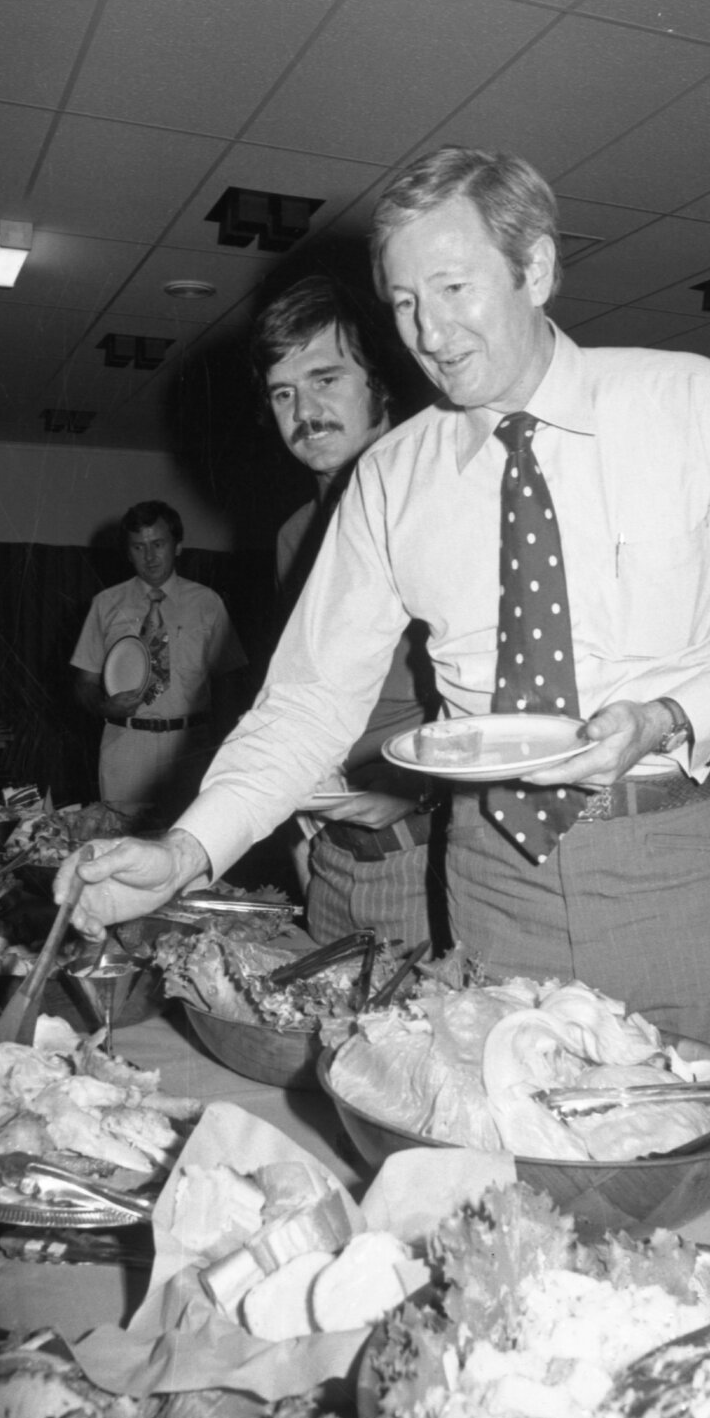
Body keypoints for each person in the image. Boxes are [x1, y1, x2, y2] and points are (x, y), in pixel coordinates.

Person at [57, 147, 710, 1071]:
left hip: (670, 852)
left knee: (692, 1177)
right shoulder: (392, 477)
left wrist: (669, 715)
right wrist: (187, 850)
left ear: (536, 268)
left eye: (454, 287)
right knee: (491, 1177)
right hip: (487, 869)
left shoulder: (686, 402)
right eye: (402, 302)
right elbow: (308, 702)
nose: (429, 329)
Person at [252, 275, 443, 948]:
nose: (304, 410)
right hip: (331, 850)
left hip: (425, 855)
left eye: (325, 378)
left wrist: (420, 799)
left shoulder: (442, 501)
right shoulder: (293, 534)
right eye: (283, 393)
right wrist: (306, 843)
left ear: (379, 381)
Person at [70, 499, 247, 828]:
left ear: (178, 546)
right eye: (138, 547)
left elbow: (229, 682)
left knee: (188, 843)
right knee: (123, 848)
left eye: (158, 544)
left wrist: (226, 749)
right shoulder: (105, 604)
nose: (149, 557)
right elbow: (84, 683)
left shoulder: (208, 603)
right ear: (127, 552)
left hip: (191, 745)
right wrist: (104, 706)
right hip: (126, 747)